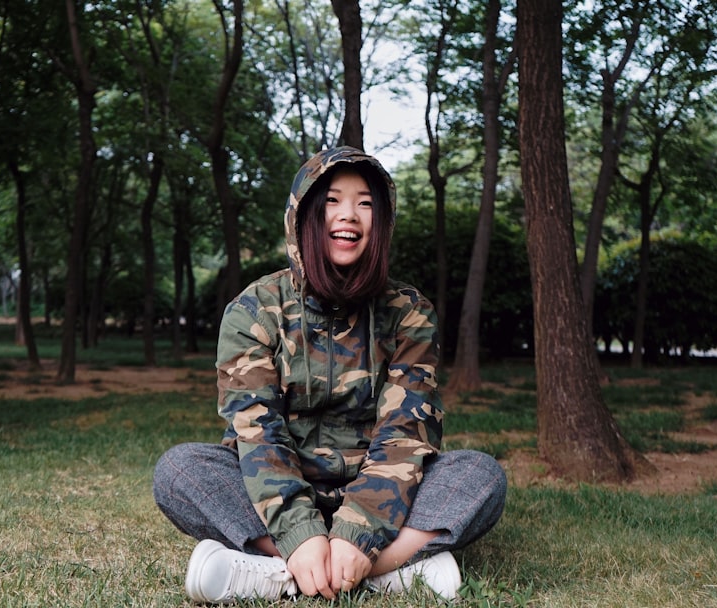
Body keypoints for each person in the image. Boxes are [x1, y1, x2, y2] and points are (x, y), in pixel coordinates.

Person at [153, 146, 507, 603]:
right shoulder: (254, 309)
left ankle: (287, 574)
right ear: (304, 216)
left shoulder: (409, 311)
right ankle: (376, 569)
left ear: (382, 222)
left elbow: (405, 434)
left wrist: (359, 531)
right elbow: (258, 435)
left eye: (365, 203)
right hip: (279, 491)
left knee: (480, 476)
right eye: (333, 201)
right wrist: (300, 533)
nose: (349, 215)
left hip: (379, 491)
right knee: (179, 470)